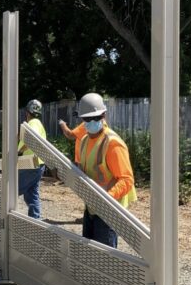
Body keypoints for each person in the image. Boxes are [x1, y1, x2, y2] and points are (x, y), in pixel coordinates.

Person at [58, 92, 136, 248]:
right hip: (92, 205)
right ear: (82, 120)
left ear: (104, 115)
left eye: (96, 118)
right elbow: (85, 170)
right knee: (90, 252)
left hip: (109, 208)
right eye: (87, 119)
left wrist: (106, 198)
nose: (91, 122)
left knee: (105, 258)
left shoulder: (113, 144)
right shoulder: (85, 140)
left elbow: (126, 180)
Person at [17, 99, 46, 218]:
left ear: (27, 112)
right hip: (37, 164)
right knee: (31, 194)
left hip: (31, 164)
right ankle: (35, 220)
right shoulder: (38, 124)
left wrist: (18, 152)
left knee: (13, 190)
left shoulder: (33, 123)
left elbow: (31, 141)